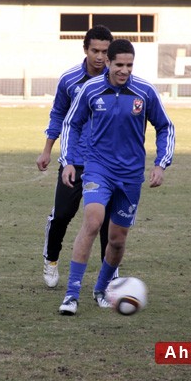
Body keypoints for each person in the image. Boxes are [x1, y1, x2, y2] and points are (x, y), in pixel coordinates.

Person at [57, 39, 175, 315]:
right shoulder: (91, 89)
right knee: (93, 221)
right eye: (119, 64)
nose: (124, 70)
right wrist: (69, 162)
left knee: (118, 239)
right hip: (98, 168)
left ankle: (101, 289)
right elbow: (71, 124)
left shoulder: (144, 92)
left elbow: (165, 127)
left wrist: (161, 164)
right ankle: (71, 294)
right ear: (108, 63)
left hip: (131, 175)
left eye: (129, 65)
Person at [37, 25, 113, 288]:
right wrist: (48, 149)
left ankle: (107, 278)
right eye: (95, 50)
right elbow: (58, 114)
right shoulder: (69, 80)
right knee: (62, 215)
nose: (100, 56)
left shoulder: (116, 80)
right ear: (85, 50)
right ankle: (51, 259)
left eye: (105, 51)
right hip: (74, 160)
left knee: (106, 223)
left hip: (105, 164)